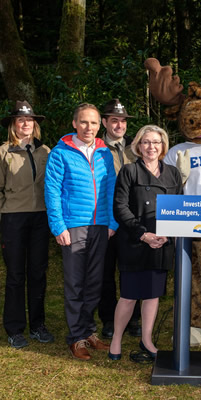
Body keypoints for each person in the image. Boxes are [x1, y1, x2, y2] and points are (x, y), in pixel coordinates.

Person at [45, 103, 118, 360]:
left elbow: (111, 188)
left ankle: (89, 331)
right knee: (75, 283)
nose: (89, 127)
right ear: (75, 123)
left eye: (94, 123)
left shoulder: (104, 153)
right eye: (84, 122)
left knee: (95, 282)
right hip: (73, 226)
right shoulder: (60, 153)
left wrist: (112, 223)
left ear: (101, 126)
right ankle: (76, 337)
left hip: (101, 226)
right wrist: (59, 226)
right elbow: (52, 191)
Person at [109, 125, 182, 361]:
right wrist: (143, 235)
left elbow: (180, 208)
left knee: (152, 294)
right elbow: (120, 208)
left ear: (163, 147)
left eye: (156, 142)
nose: (152, 147)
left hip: (162, 242)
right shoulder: (129, 171)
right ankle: (116, 338)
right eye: (146, 142)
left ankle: (147, 339)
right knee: (129, 295)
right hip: (135, 241)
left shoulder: (173, 173)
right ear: (138, 146)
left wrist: (167, 235)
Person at [0, 100, 54, 349]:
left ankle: (38, 325)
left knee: (37, 272)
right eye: (21, 120)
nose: (26, 124)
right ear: (13, 124)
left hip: (40, 218)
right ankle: (14, 327)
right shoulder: (3, 152)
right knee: (15, 275)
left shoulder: (46, 152)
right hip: (13, 218)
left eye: (30, 120)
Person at [99, 98, 141, 339]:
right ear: (104, 122)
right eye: (114, 120)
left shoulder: (135, 147)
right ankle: (107, 318)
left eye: (123, 121)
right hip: (105, 219)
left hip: (131, 220)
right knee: (106, 271)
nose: (119, 125)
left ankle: (133, 319)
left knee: (131, 271)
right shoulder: (95, 147)